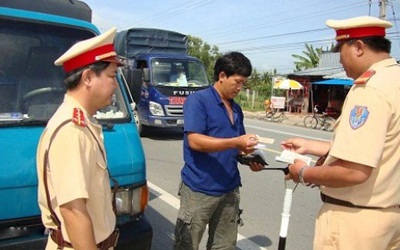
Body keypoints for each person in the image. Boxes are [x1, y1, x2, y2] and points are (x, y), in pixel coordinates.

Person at [282, 16, 400, 250]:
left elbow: (354, 171)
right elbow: (379, 147)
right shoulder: (394, 80)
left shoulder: (369, 90)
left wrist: (304, 172)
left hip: (355, 223)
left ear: (358, 47)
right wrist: (311, 145)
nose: (340, 61)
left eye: (340, 51)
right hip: (389, 219)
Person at [36, 27, 123, 250]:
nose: (115, 84)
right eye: (112, 76)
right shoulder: (71, 130)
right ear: (87, 77)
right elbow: (73, 212)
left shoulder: (82, 122)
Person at [174, 51, 264, 250]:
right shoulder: (198, 101)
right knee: (187, 245)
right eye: (237, 81)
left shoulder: (237, 109)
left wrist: (250, 158)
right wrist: (235, 143)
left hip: (229, 189)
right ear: (222, 76)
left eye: (243, 83)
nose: (240, 88)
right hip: (199, 189)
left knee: (224, 246)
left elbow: (238, 146)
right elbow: (195, 141)